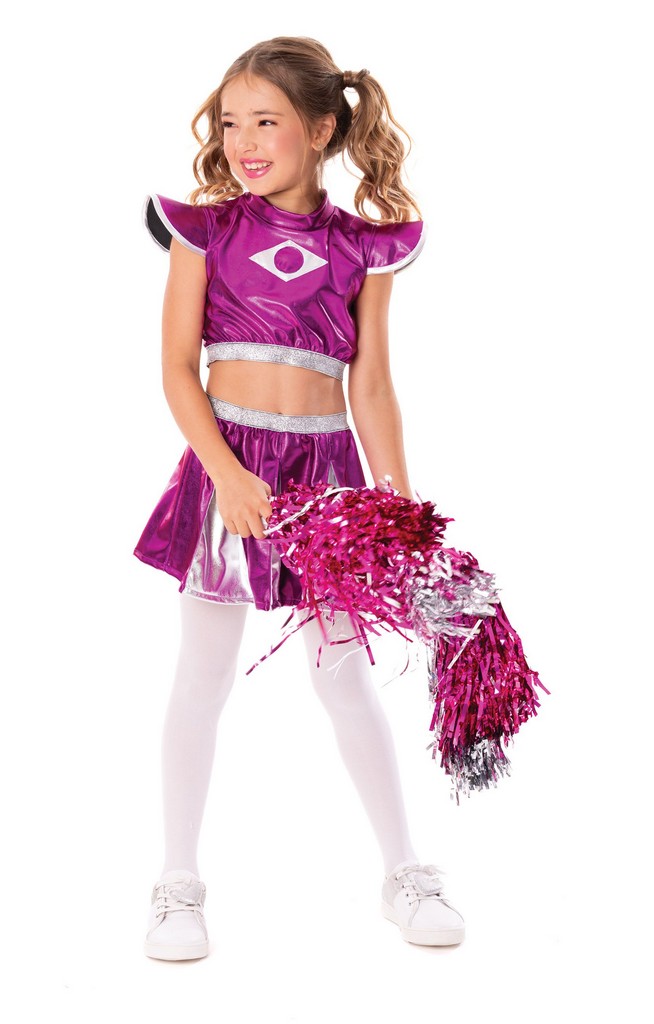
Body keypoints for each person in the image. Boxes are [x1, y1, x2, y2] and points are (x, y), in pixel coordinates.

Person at [135, 36, 465, 961]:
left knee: (343, 672)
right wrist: (227, 475)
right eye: (231, 122)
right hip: (229, 469)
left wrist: (398, 506)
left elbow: (372, 386)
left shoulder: (363, 247)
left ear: (321, 129)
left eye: (266, 122)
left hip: (327, 482)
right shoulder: (205, 232)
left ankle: (403, 872)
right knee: (201, 674)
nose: (243, 141)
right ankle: (176, 882)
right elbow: (176, 369)